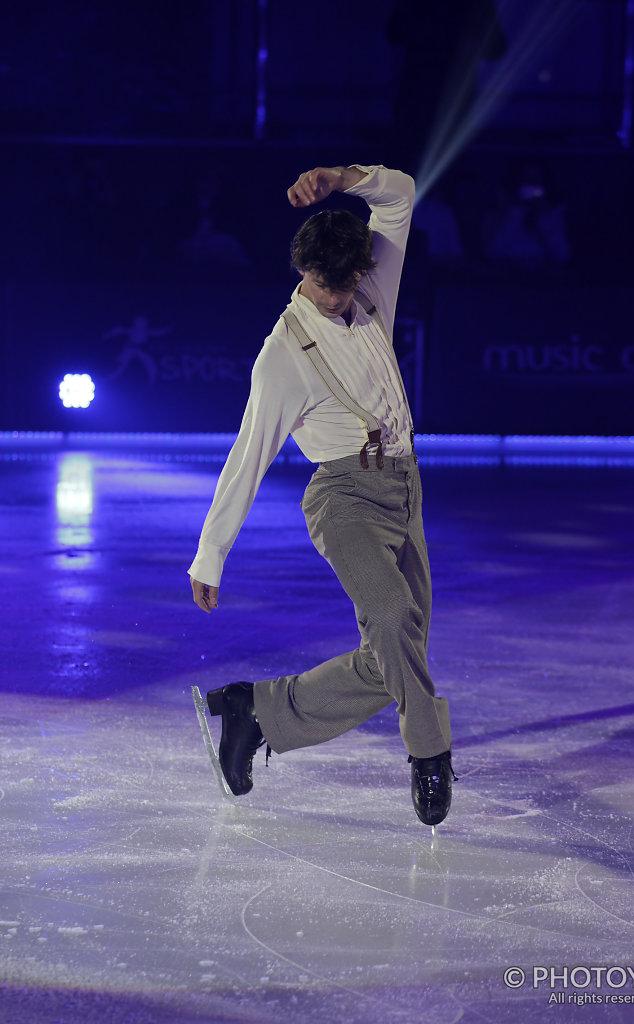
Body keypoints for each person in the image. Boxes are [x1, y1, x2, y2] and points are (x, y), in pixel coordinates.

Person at [188, 163, 455, 826]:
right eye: (321, 284)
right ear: (301, 269)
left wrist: (341, 177)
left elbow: (399, 195)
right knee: (393, 621)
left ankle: (256, 711)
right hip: (342, 497)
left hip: (405, 486)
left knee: (398, 654)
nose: (334, 296)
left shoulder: (370, 293)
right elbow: (247, 454)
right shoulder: (282, 354)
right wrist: (210, 554)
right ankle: (429, 755)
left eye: (343, 283)